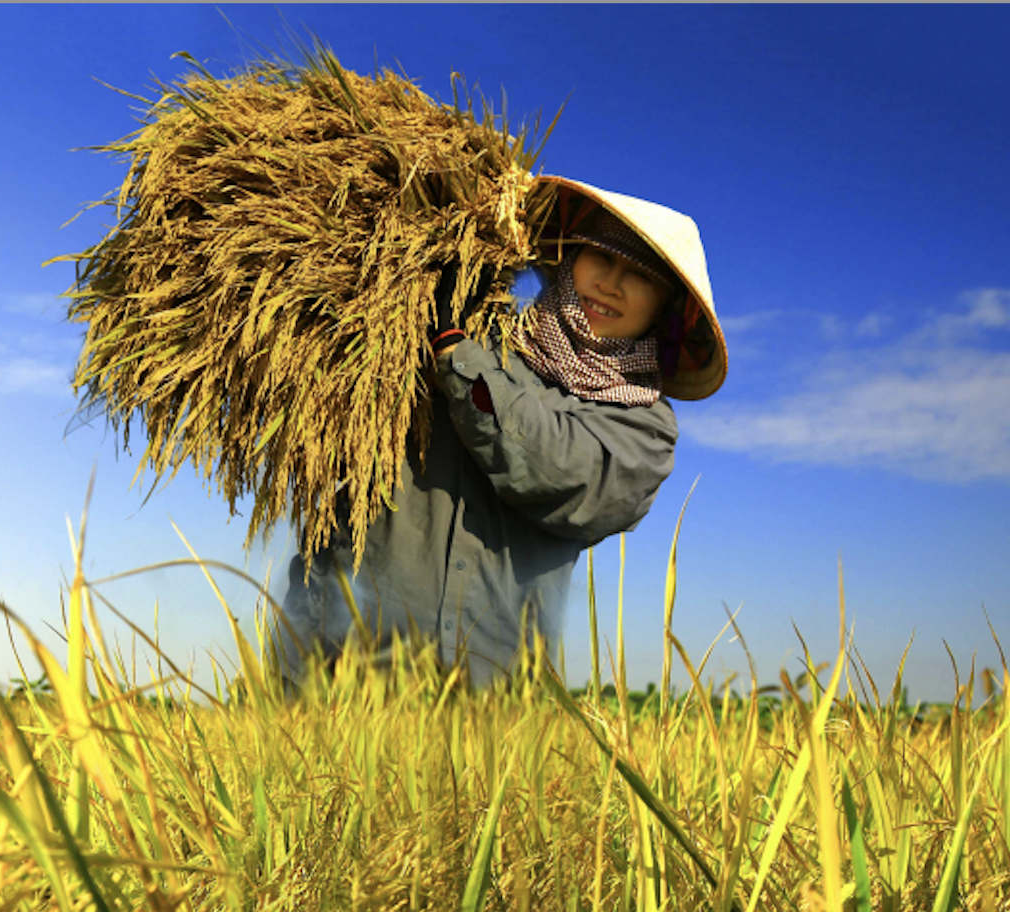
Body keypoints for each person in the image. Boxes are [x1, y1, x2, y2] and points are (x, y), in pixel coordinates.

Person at [268, 176, 728, 693]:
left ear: (665, 307)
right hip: (337, 662)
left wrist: (456, 358)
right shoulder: (466, 333)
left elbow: (564, 475)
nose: (611, 284)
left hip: (488, 694)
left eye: (639, 276)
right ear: (569, 260)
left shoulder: (642, 425)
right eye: (600, 257)